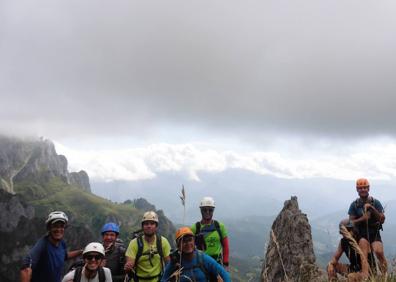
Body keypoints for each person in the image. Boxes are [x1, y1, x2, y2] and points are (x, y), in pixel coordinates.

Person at [20, 211, 83, 282]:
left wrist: (81, 252)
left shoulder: (61, 243)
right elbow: (26, 267)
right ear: (49, 228)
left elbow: (64, 255)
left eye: (61, 226)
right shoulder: (43, 245)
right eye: (55, 226)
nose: (58, 229)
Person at [161, 227, 230, 282]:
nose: (188, 244)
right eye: (184, 241)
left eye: (190, 240)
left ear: (194, 242)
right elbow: (163, 279)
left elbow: (224, 274)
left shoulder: (202, 258)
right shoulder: (175, 261)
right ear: (178, 246)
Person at [348, 178, 387, 274]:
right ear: (357, 190)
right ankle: (366, 277)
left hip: (374, 233)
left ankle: (384, 276)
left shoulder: (375, 203)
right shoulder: (354, 205)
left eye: (365, 187)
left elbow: (382, 219)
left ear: (368, 189)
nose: (363, 190)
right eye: (360, 188)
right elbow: (350, 223)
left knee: (379, 252)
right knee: (363, 256)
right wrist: (363, 219)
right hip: (362, 234)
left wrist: (371, 208)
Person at [124, 211, 171, 281]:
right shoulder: (134, 243)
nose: (149, 226)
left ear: (156, 226)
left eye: (152, 224)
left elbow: (169, 264)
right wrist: (128, 267)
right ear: (142, 226)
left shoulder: (163, 242)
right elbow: (130, 265)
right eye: (146, 224)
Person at [191, 196, 229, 270]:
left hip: (217, 263)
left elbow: (226, 246)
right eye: (205, 210)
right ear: (201, 210)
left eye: (210, 210)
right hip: (200, 264)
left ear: (213, 210)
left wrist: (225, 264)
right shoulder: (195, 228)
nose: (207, 212)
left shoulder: (220, 227)